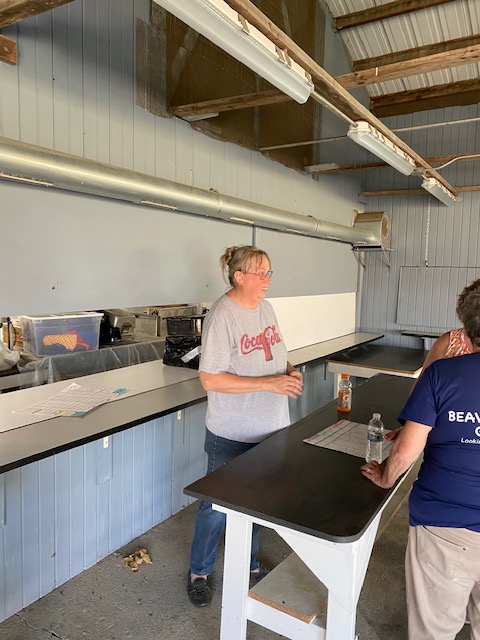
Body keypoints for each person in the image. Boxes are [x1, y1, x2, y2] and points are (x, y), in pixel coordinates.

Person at [187, 245, 303, 607]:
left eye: (269, 272)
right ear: (239, 277)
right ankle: (199, 572)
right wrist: (270, 383)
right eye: (260, 273)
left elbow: (275, 354)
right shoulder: (222, 316)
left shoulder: (265, 308)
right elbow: (210, 379)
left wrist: (288, 371)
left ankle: (248, 563)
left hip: (271, 429)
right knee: (215, 508)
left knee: (256, 504)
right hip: (232, 434)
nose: (267, 279)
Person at [361, 289, 480, 640]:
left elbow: (405, 452)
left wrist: (386, 478)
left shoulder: (443, 374)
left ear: (466, 328)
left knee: (434, 631)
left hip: (446, 525)